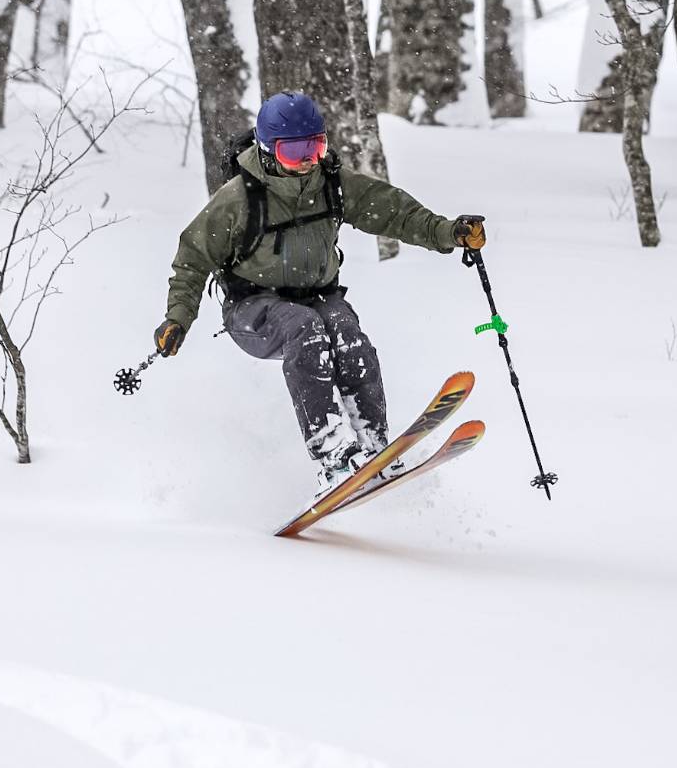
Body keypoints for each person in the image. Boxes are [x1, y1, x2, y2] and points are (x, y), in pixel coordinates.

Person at [153, 91, 486, 494]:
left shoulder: (331, 185)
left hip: (318, 295)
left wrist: (449, 232)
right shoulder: (239, 199)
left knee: (348, 336)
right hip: (253, 308)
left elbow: (394, 211)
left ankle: (372, 445)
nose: (309, 160)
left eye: (316, 146)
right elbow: (192, 259)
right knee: (306, 330)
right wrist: (177, 319)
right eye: (296, 152)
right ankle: (333, 455)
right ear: (269, 150)